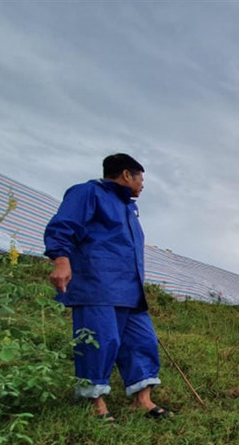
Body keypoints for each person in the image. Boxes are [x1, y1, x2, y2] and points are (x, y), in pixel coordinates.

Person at [44, 153, 172, 421]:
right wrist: (61, 260)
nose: (143, 185)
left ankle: (143, 400)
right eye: (141, 178)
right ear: (127, 175)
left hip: (130, 289)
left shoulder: (127, 208)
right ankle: (95, 403)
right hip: (97, 284)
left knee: (143, 341)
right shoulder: (88, 193)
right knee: (100, 341)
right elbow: (63, 226)